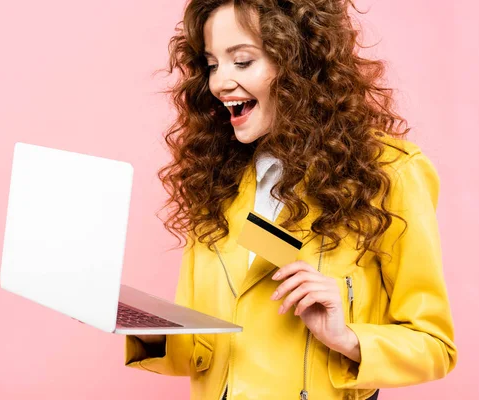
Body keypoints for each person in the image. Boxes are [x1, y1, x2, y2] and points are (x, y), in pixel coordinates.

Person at [124, 1, 457, 399]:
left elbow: (434, 345)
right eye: (213, 65)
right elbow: (203, 349)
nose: (219, 84)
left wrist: (347, 336)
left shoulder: (389, 174)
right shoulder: (217, 183)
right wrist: (135, 323)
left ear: (299, 63)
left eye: (242, 62)